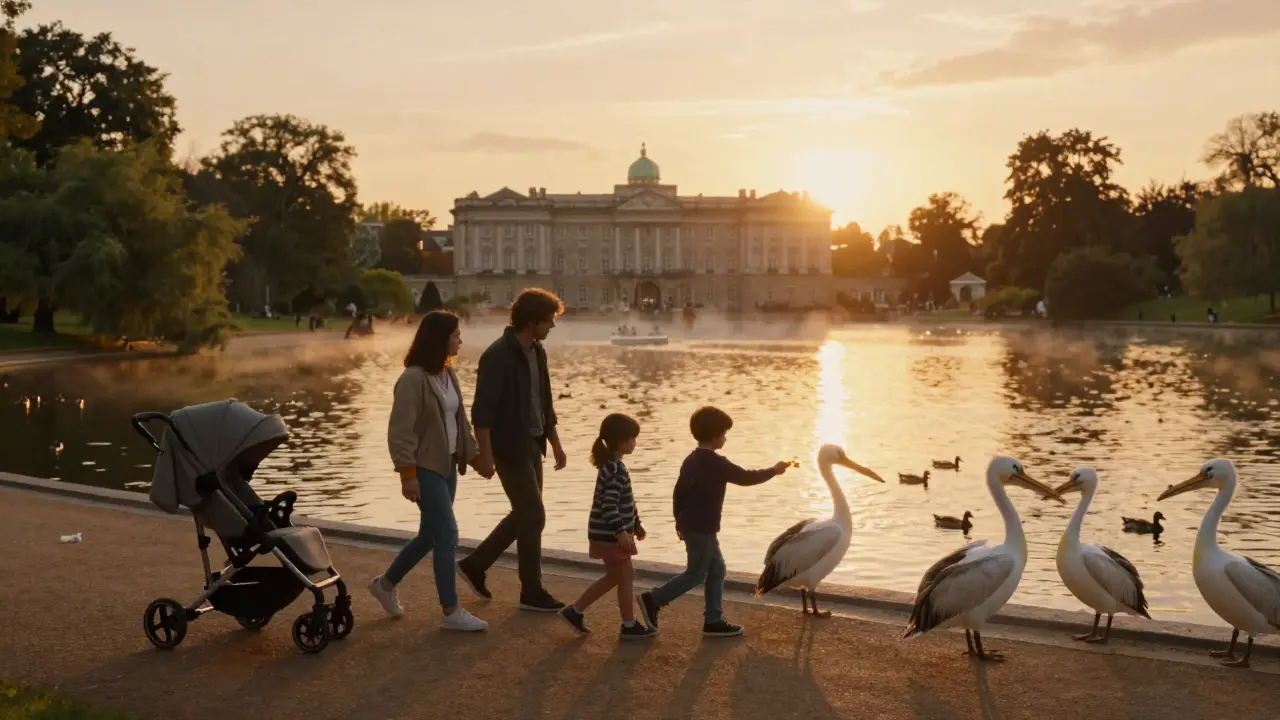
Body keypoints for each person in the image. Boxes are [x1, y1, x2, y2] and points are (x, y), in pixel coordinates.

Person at [369, 310, 487, 631]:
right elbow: (400, 431)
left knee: (429, 535)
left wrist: (476, 458)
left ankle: (385, 584)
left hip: (447, 465)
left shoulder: (448, 374)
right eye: (455, 335)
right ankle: (451, 610)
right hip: (423, 468)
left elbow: (459, 424)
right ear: (440, 338)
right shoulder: (413, 379)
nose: (461, 340)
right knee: (447, 533)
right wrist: (407, 475)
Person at [456, 288, 569, 612]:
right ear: (531, 320)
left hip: (533, 445)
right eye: (549, 320)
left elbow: (544, 401)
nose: (552, 326)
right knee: (533, 516)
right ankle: (531, 591)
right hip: (509, 448)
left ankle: (476, 565)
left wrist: (555, 442)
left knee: (526, 515)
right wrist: (486, 454)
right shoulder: (497, 356)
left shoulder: (537, 351)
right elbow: (483, 411)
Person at [637, 406, 790, 637]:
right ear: (715, 435)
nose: (726, 438)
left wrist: (678, 520)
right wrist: (774, 470)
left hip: (691, 524)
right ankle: (654, 599)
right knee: (697, 573)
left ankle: (713, 619)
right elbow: (746, 477)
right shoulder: (716, 463)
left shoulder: (690, 460)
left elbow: (678, 492)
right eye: (724, 434)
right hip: (702, 527)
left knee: (717, 570)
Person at [557, 414, 656, 640]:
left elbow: (626, 501)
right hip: (611, 534)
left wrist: (636, 524)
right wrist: (621, 531)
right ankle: (628, 625)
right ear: (622, 440)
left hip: (608, 532)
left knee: (616, 576)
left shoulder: (612, 466)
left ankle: (575, 611)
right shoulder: (615, 470)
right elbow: (609, 504)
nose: (635, 443)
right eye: (633, 439)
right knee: (625, 575)